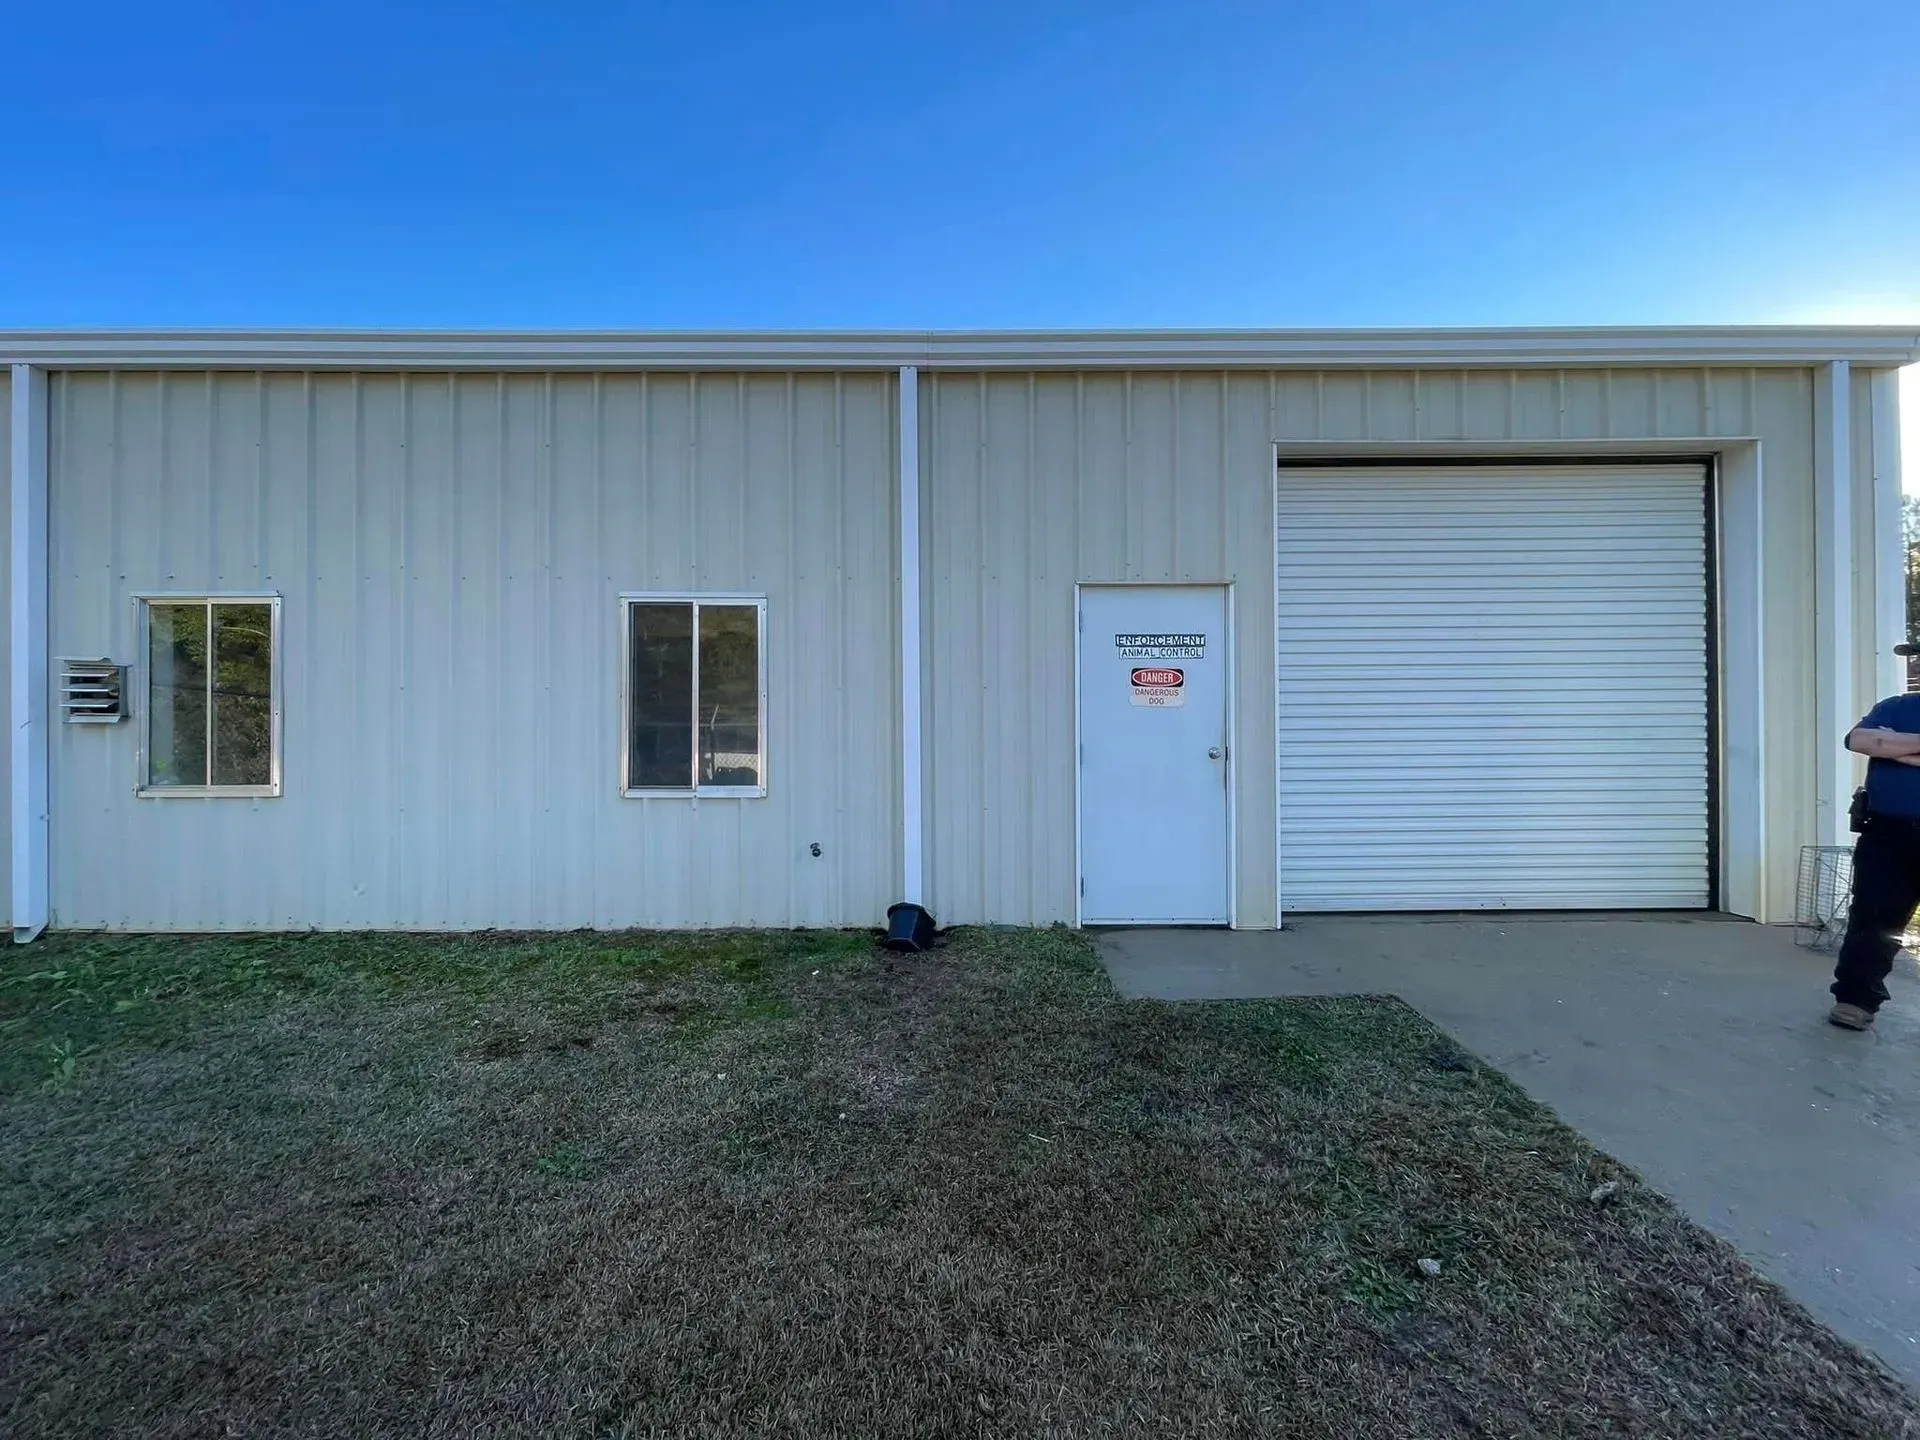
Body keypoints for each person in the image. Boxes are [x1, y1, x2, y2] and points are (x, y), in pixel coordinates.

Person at [1829, 692, 1920, 1029]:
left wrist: (1899, 747)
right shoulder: (1898, 706)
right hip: (1887, 835)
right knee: (1873, 918)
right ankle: (1856, 1000)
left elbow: (1881, 744)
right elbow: (1859, 740)